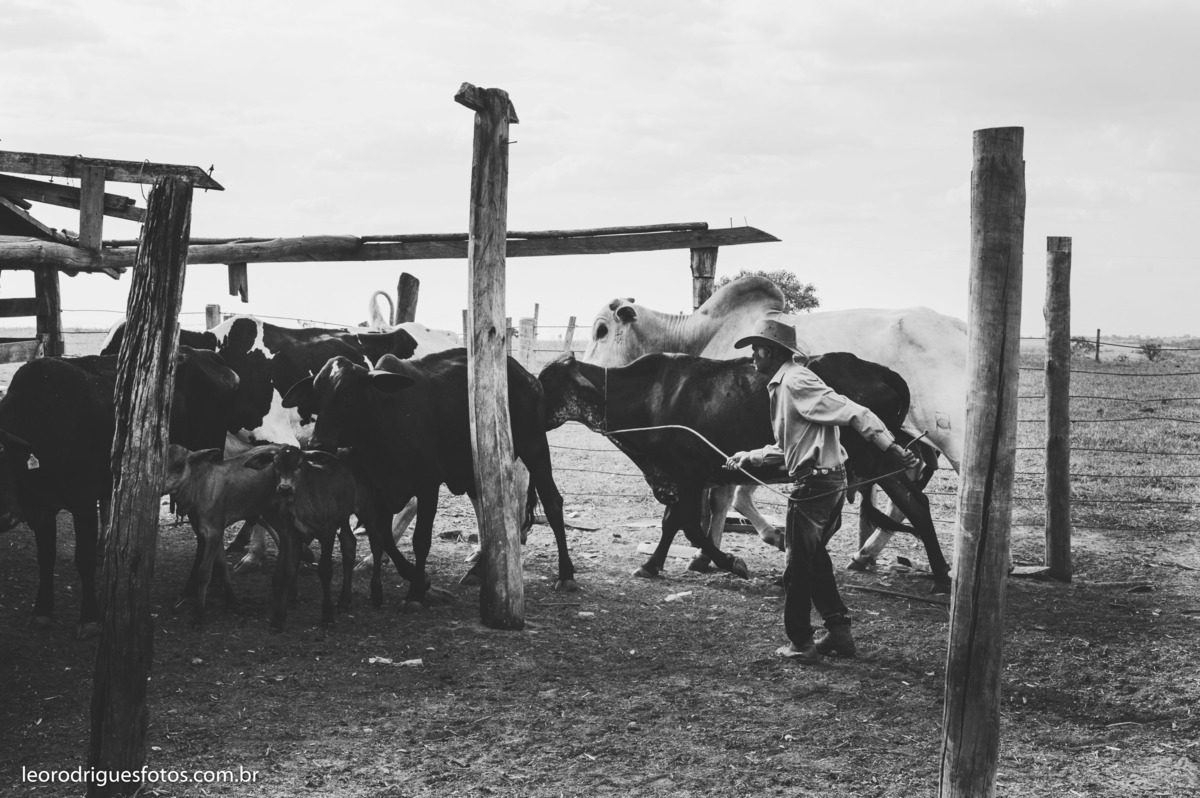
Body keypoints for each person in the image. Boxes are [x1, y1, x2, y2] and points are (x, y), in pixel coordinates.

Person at [723, 319, 920, 663]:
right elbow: (788, 446)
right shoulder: (783, 385)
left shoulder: (797, 381)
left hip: (816, 484)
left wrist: (889, 447)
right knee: (813, 560)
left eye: (755, 349)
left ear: (769, 351)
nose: (752, 356)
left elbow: (856, 411)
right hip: (822, 481)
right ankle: (839, 633)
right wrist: (749, 457)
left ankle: (800, 642)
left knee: (797, 566)